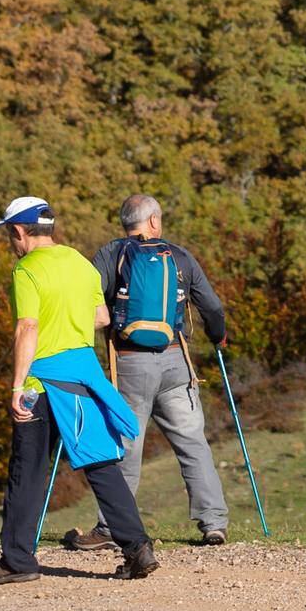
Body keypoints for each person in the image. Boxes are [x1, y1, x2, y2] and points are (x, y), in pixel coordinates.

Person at [0, 196, 158, 584]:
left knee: (28, 471)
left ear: (18, 231)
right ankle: (137, 547)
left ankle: (17, 562)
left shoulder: (25, 270)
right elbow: (101, 317)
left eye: (10, 234)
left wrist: (15, 386)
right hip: (83, 377)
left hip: (40, 381)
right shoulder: (81, 263)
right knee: (100, 463)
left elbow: (27, 328)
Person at [63, 195, 231, 550]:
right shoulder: (180, 255)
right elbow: (212, 307)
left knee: (125, 444)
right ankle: (214, 523)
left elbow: (87, 299)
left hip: (130, 365)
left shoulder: (112, 254)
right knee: (193, 442)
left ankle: (111, 528)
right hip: (177, 362)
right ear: (153, 220)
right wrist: (219, 337)